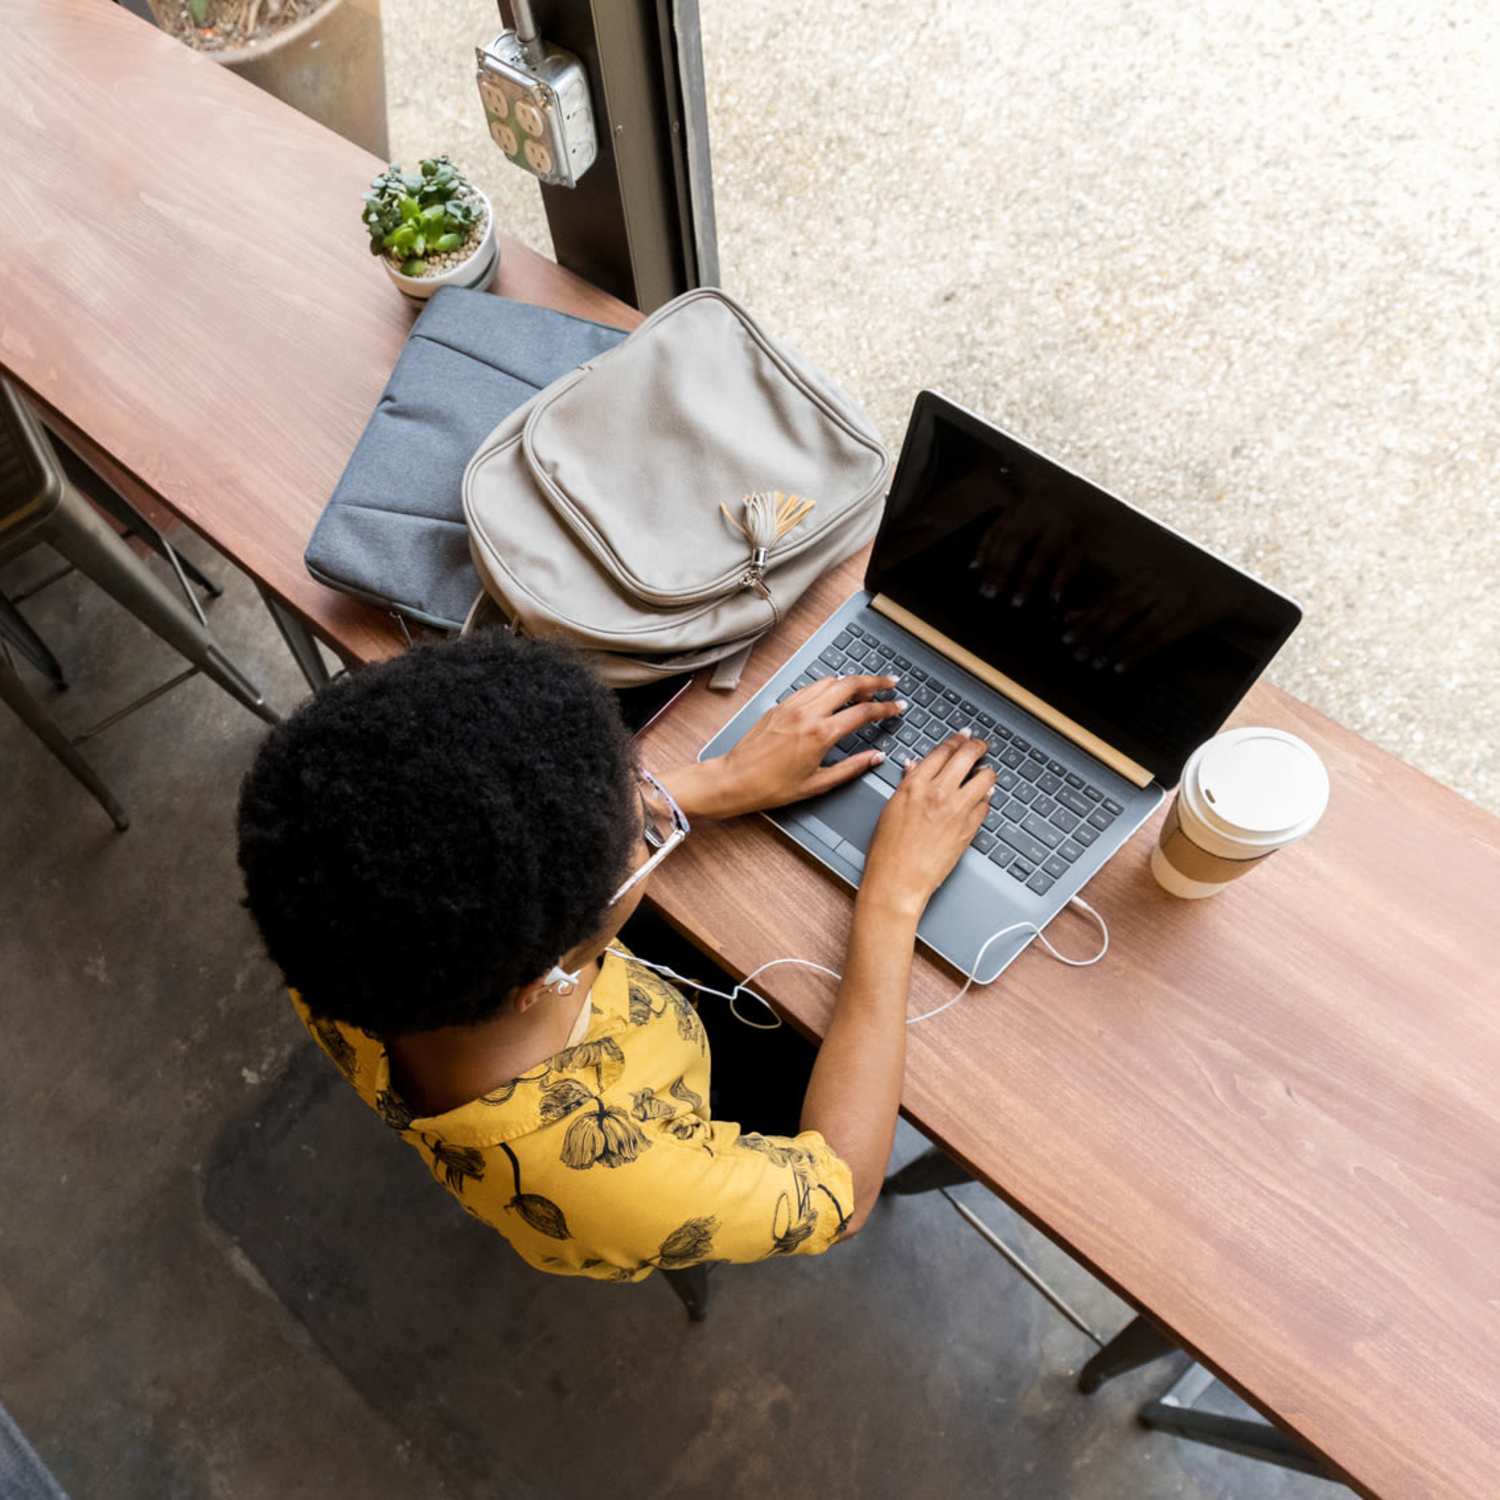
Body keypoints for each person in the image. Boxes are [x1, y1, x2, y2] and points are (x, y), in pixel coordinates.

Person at [236, 631, 993, 1281]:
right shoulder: (611, 1179)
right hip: (693, 1093)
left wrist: (714, 782)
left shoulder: (340, 924)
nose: (654, 811)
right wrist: (891, 901)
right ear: (544, 978)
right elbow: (844, 1195)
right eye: (645, 836)